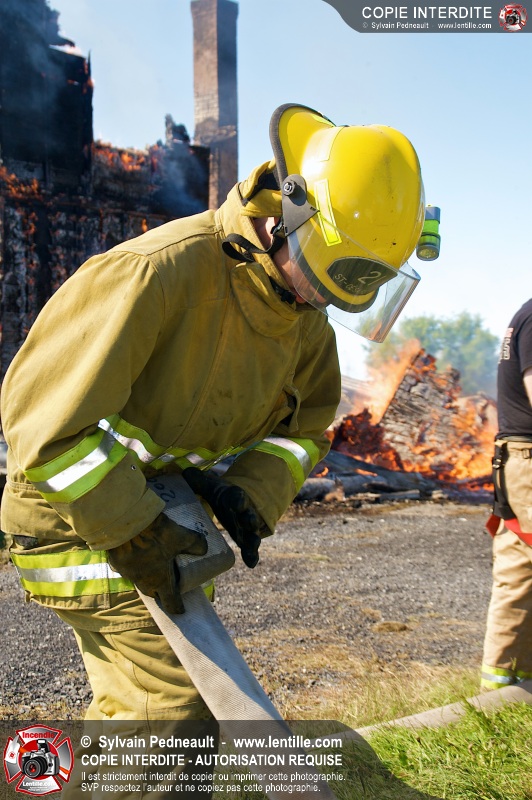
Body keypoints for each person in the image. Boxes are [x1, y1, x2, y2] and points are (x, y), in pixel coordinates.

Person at [1, 104, 427, 731]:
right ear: (288, 215)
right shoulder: (156, 273)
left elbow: (307, 429)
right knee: (170, 707)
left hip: (167, 519)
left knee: (180, 714)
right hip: (74, 523)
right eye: (326, 274)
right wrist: (134, 530)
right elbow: (45, 427)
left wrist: (250, 491)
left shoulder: (301, 313)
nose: (320, 301)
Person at [482, 300, 532, 690]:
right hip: (527, 459)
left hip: (519, 459)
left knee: (520, 572)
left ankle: (510, 689)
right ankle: (501, 695)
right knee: (519, 573)